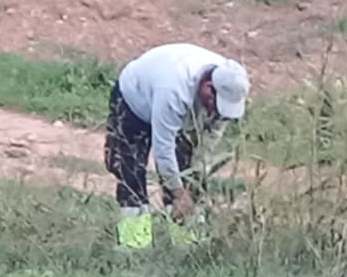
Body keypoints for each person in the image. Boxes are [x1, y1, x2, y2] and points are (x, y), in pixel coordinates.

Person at [106, 43, 249, 247]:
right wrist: (179, 193)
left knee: (186, 170)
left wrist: (191, 185)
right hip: (134, 100)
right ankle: (134, 244)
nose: (218, 114)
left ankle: (187, 244)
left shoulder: (228, 89)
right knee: (131, 172)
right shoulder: (174, 90)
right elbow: (163, 148)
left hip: (178, 108)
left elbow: (207, 143)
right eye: (216, 107)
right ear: (208, 89)